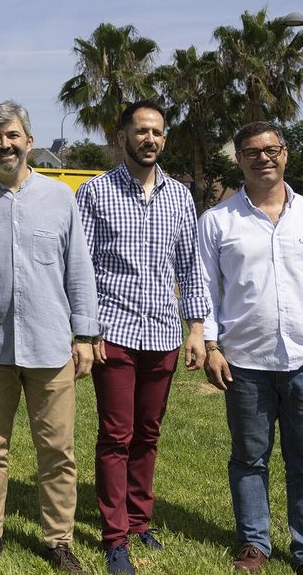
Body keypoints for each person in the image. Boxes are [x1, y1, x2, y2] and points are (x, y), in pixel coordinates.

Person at [198, 122, 303, 575]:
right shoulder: (218, 221)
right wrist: (211, 346)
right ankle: (254, 543)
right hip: (245, 365)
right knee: (249, 459)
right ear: (239, 160)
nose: (263, 158)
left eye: (271, 149)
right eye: (251, 152)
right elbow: (206, 292)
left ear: (286, 154)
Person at [0, 100, 99, 574]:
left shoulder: (61, 198)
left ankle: (58, 540)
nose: (4, 145)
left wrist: (85, 334)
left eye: (12, 136)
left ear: (29, 140)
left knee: (58, 451)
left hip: (51, 347)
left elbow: (79, 270)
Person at [74, 100, 210, 575]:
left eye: (157, 132)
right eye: (141, 131)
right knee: (116, 434)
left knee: (148, 434)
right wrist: (86, 331)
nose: (149, 139)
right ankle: (114, 537)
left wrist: (196, 330)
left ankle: (138, 519)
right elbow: (80, 269)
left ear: (164, 139)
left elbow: (192, 268)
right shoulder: (95, 192)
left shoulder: (179, 196)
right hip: (113, 333)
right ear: (123, 137)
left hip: (163, 335)